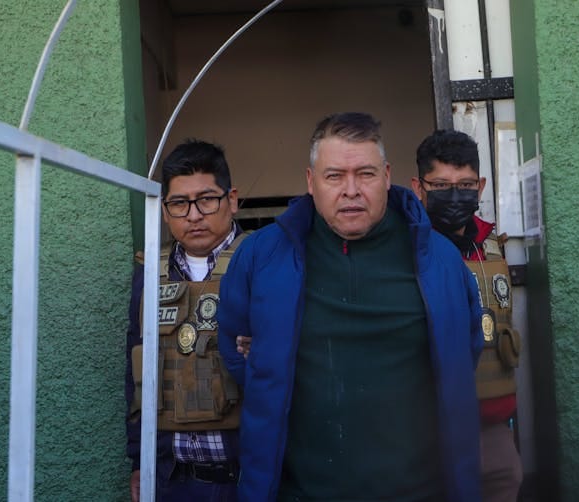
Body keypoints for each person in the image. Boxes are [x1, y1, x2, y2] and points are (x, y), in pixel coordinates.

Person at [217, 112, 484, 501]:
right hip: (302, 491)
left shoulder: (437, 258)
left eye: (366, 174)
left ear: (387, 176)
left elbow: (466, 349)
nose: (351, 190)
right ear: (311, 182)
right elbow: (235, 348)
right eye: (334, 176)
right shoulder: (263, 256)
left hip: (419, 490)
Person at [125, 140, 245, 502]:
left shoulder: (259, 261)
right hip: (169, 477)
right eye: (179, 203)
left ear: (232, 200)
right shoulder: (149, 273)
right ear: (164, 211)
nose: (194, 215)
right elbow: (133, 365)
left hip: (243, 475)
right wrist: (137, 458)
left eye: (207, 199)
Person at [411, 129, 523, 502]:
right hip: (427, 433)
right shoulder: (406, 252)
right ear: (418, 187)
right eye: (441, 185)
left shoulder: (492, 247)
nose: (455, 195)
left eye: (466, 184)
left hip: (493, 431)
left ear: (482, 186)